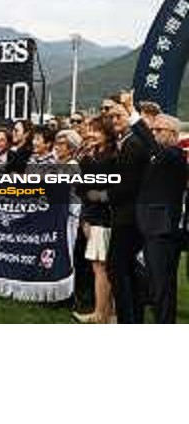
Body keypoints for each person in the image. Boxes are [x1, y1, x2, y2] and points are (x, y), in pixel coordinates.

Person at [121, 91, 187, 323]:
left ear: (172, 134)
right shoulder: (158, 155)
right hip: (148, 226)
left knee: (161, 284)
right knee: (154, 283)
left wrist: (132, 112)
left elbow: (152, 146)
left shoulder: (175, 155)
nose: (154, 133)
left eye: (158, 130)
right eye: (154, 130)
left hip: (162, 229)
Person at [98, 99, 150, 324]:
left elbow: (127, 184)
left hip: (129, 217)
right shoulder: (124, 143)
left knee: (117, 269)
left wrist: (104, 195)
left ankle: (128, 319)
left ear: (130, 117)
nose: (114, 120)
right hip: (125, 215)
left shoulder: (134, 144)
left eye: (119, 116)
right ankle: (132, 319)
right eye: (112, 117)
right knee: (125, 269)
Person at [74, 116, 117, 324]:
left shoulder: (111, 156)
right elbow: (80, 183)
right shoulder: (93, 153)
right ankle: (105, 313)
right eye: (90, 129)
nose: (91, 134)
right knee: (98, 266)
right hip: (90, 213)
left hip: (103, 217)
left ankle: (102, 314)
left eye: (96, 130)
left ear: (107, 133)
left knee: (101, 267)